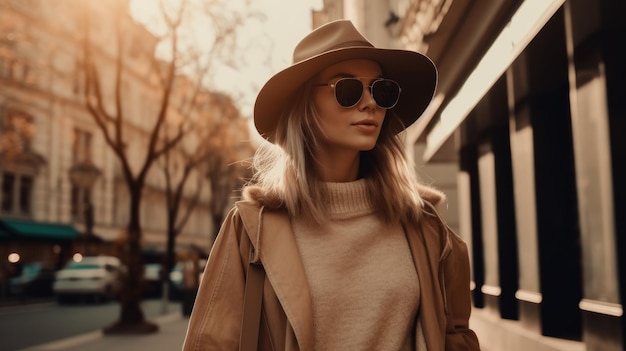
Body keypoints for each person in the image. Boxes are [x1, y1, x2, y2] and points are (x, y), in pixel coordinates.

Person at [182, 19, 480, 351]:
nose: (370, 104)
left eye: (381, 90)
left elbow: (456, 337)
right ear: (304, 106)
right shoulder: (252, 230)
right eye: (347, 89)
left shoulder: (424, 226)